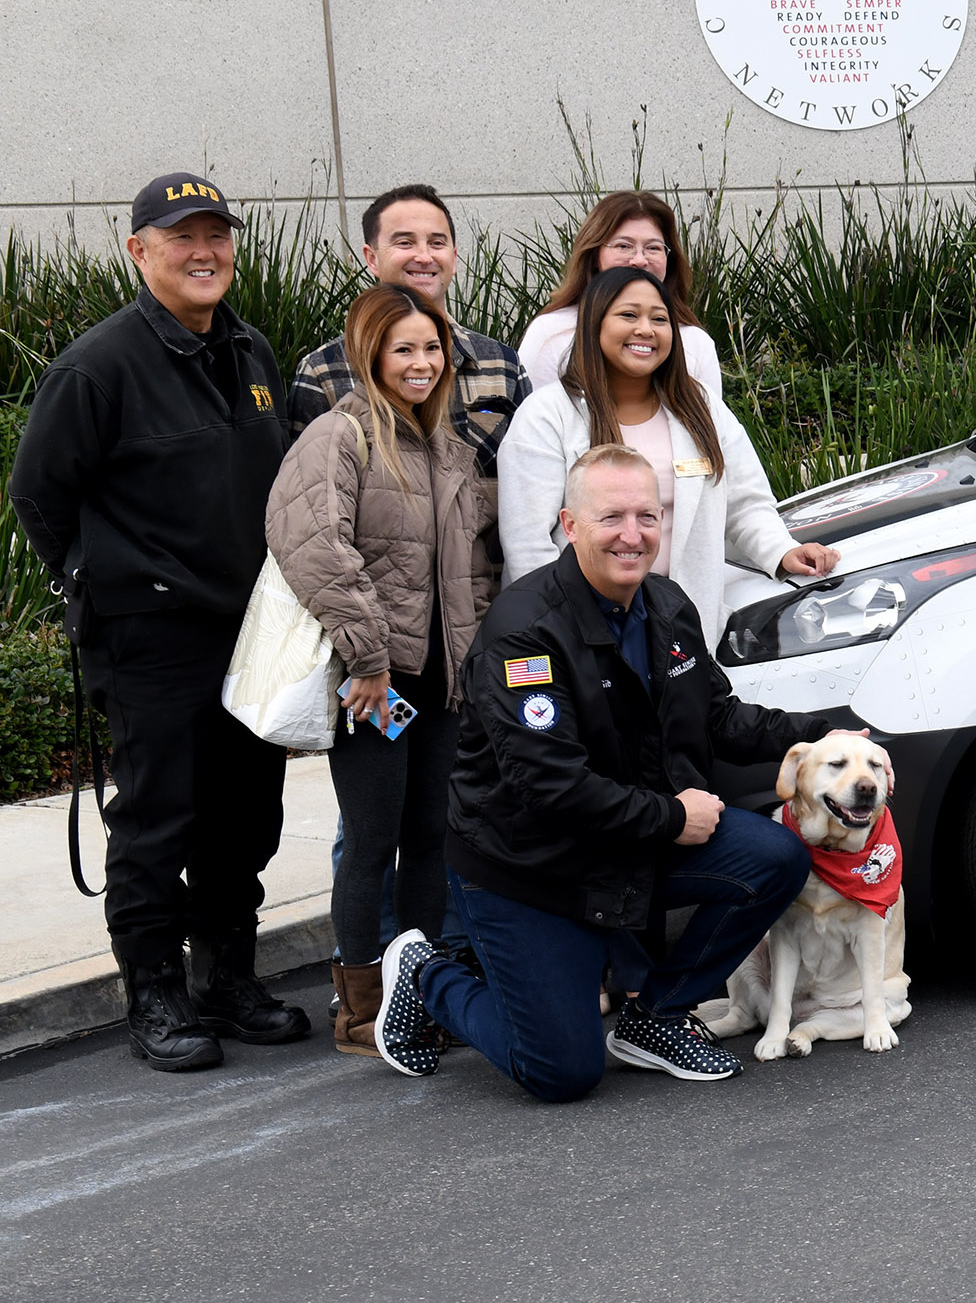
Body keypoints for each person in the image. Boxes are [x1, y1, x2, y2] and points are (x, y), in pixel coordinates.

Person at [374, 445, 842, 1097]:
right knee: (561, 1072)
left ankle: (654, 1015)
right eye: (611, 517)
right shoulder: (524, 634)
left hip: (627, 845)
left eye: (646, 516)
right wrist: (675, 816)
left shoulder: (667, 606)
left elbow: (719, 717)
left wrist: (823, 737)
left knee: (775, 855)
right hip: (531, 869)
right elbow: (550, 784)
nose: (633, 534)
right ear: (569, 525)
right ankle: (428, 975)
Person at [8, 174, 308, 1070]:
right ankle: (155, 993)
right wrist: (106, 580)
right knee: (158, 820)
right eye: (182, 237)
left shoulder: (249, 353)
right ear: (139, 251)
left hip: (248, 634)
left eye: (216, 234)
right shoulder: (97, 368)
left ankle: (227, 979)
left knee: (244, 816)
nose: (204, 250)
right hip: (151, 637)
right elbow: (37, 495)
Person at [265, 285, 496, 1056]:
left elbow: (472, 574)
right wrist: (366, 655)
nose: (423, 362)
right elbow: (314, 547)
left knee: (430, 836)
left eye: (433, 348)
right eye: (404, 349)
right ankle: (359, 1008)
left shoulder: (454, 452)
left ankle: (417, 990)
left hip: (441, 683)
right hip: (375, 684)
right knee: (371, 840)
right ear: (370, 355)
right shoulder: (340, 436)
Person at [496, 266, 834, 637]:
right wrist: (568, 624)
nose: (646, 329)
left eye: (659, 318)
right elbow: (527, 543)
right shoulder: (548, 414)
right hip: (579, 631)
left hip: (683, 630)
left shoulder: (699, 406)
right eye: (628, 315)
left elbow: (746, 503)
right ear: (594, 324)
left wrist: (782, 552)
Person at [286, 183, 527, 474]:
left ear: (454, 257)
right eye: (405, 243)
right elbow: (310, 492)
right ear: (371, 257)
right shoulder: (323, 371)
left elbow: (529, 479)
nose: (424, 257)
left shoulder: (503, 365)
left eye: (437, 243)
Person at [513, 190, 729, 403]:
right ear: (594, 255)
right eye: (623, 246)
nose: (639, 260)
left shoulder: (695, 342)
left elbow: (711, 429)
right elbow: (528, 421)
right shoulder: (551, 333)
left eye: (653, 248)